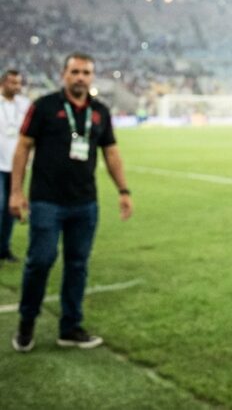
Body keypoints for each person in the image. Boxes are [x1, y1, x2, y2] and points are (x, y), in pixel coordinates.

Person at [9, 52, 134, 353]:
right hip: (46, 201)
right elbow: (23, 148)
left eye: (86, 72)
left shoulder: (100, 112)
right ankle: (27, 322)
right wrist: (16, 191)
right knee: (40, 260)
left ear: (92, 77)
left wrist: (124, 190)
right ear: (64, 74)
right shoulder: (44, 106)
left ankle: (70, 327)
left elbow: (112, 153)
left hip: (84, 203)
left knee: (77, 265)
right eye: (75, 71)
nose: (80, 77)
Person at [0, 69, 30, 263]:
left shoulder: (25, 105)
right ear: (3, 83)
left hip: (17, 166)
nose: (17, 87)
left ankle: (4, 249)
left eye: (19, 83)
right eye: (13, 83)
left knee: (11, 209)